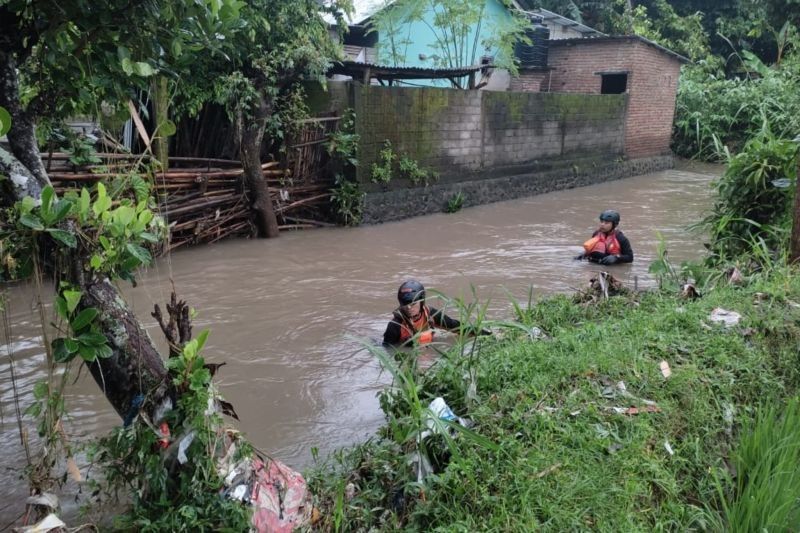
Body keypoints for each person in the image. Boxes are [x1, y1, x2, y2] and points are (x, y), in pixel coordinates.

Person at [382, 280, 488, 346]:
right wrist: (404, 345)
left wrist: (487, 335)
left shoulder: (430, 314)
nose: (409, 308)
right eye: (405, 305)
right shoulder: (394, 326)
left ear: (422, 301)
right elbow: (388, 351)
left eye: (413, 304)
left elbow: (457, 327)